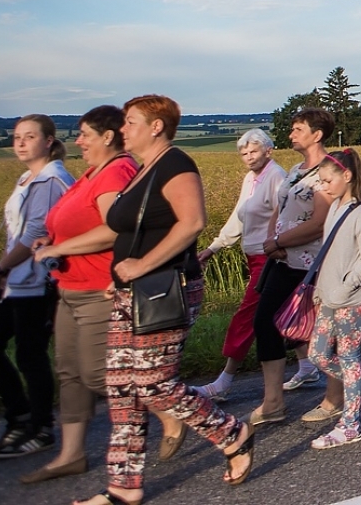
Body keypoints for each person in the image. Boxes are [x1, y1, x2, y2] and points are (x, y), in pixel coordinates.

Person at [82, 95, 255, 504]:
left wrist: (139, 267)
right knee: (122, 388)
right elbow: (138, 231)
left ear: (156, 126)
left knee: (154, 385)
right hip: (133, 290)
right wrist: (121, 275)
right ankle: (124, 487)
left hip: (164, 288)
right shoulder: (143, 171)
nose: (122, 129)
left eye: (130, 121)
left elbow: (193, 222)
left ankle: (233, 433)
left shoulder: (175, 164)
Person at [24, 107, 137, 484]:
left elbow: (114, 230)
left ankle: (173, 410)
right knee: (69, 372)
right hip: (70, 289)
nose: (78, 141)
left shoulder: (118, 171)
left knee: (96, 374)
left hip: (98, 290)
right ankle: (71, 454)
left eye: (85, 134)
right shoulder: (92, 172)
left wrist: (60, 249)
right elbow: (73, 221)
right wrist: (52, 239)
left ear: (108, 136)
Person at [0, 115, 73, 461]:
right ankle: (20, 418)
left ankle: (40, 428)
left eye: (29, 136)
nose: (20, 143)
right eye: (17, 136)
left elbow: (33, 234)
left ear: (48, 141)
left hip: (38, 281)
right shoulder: (27, 178)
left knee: (29, 355)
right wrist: (4, 271)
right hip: (17, 280)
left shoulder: (49, 179)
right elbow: (17, 234)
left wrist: (2, 265)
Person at [252, 108, 336, 426]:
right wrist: (272, 238)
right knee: (267, 322)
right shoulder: (295, 170)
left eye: (298, 128)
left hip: (308, 263)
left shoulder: (328, 171)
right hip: (283, 258)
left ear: (317, 134)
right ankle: (273, 400)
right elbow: (281, 206)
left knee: (316, 328)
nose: (291, 134)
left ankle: (338, 394)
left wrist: (279, 242)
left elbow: (319, 223)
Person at [193, 130, 286, 402]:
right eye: (244, 153)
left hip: (269, 258)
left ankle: (225, 380)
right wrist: (215, 247)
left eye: (253, 151)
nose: (248, 157)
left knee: (247, 316)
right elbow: (239, 216)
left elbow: (284, 217)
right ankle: (306, 367)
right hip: (254, 256)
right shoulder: (251, 179)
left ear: (268, 150)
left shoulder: (276, 177)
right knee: (276, 314)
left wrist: (277, 246)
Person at [306, 149, 361, 449]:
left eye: (328, 180)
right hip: (329, 297)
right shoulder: (336, 207)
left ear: (347, 177)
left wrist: (345, 286)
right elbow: (329, 253)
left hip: (353, 298)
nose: (323, 186)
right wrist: (321, 289)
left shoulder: (360, 212)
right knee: (318, 354)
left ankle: (349, 424)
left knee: (349, 357)